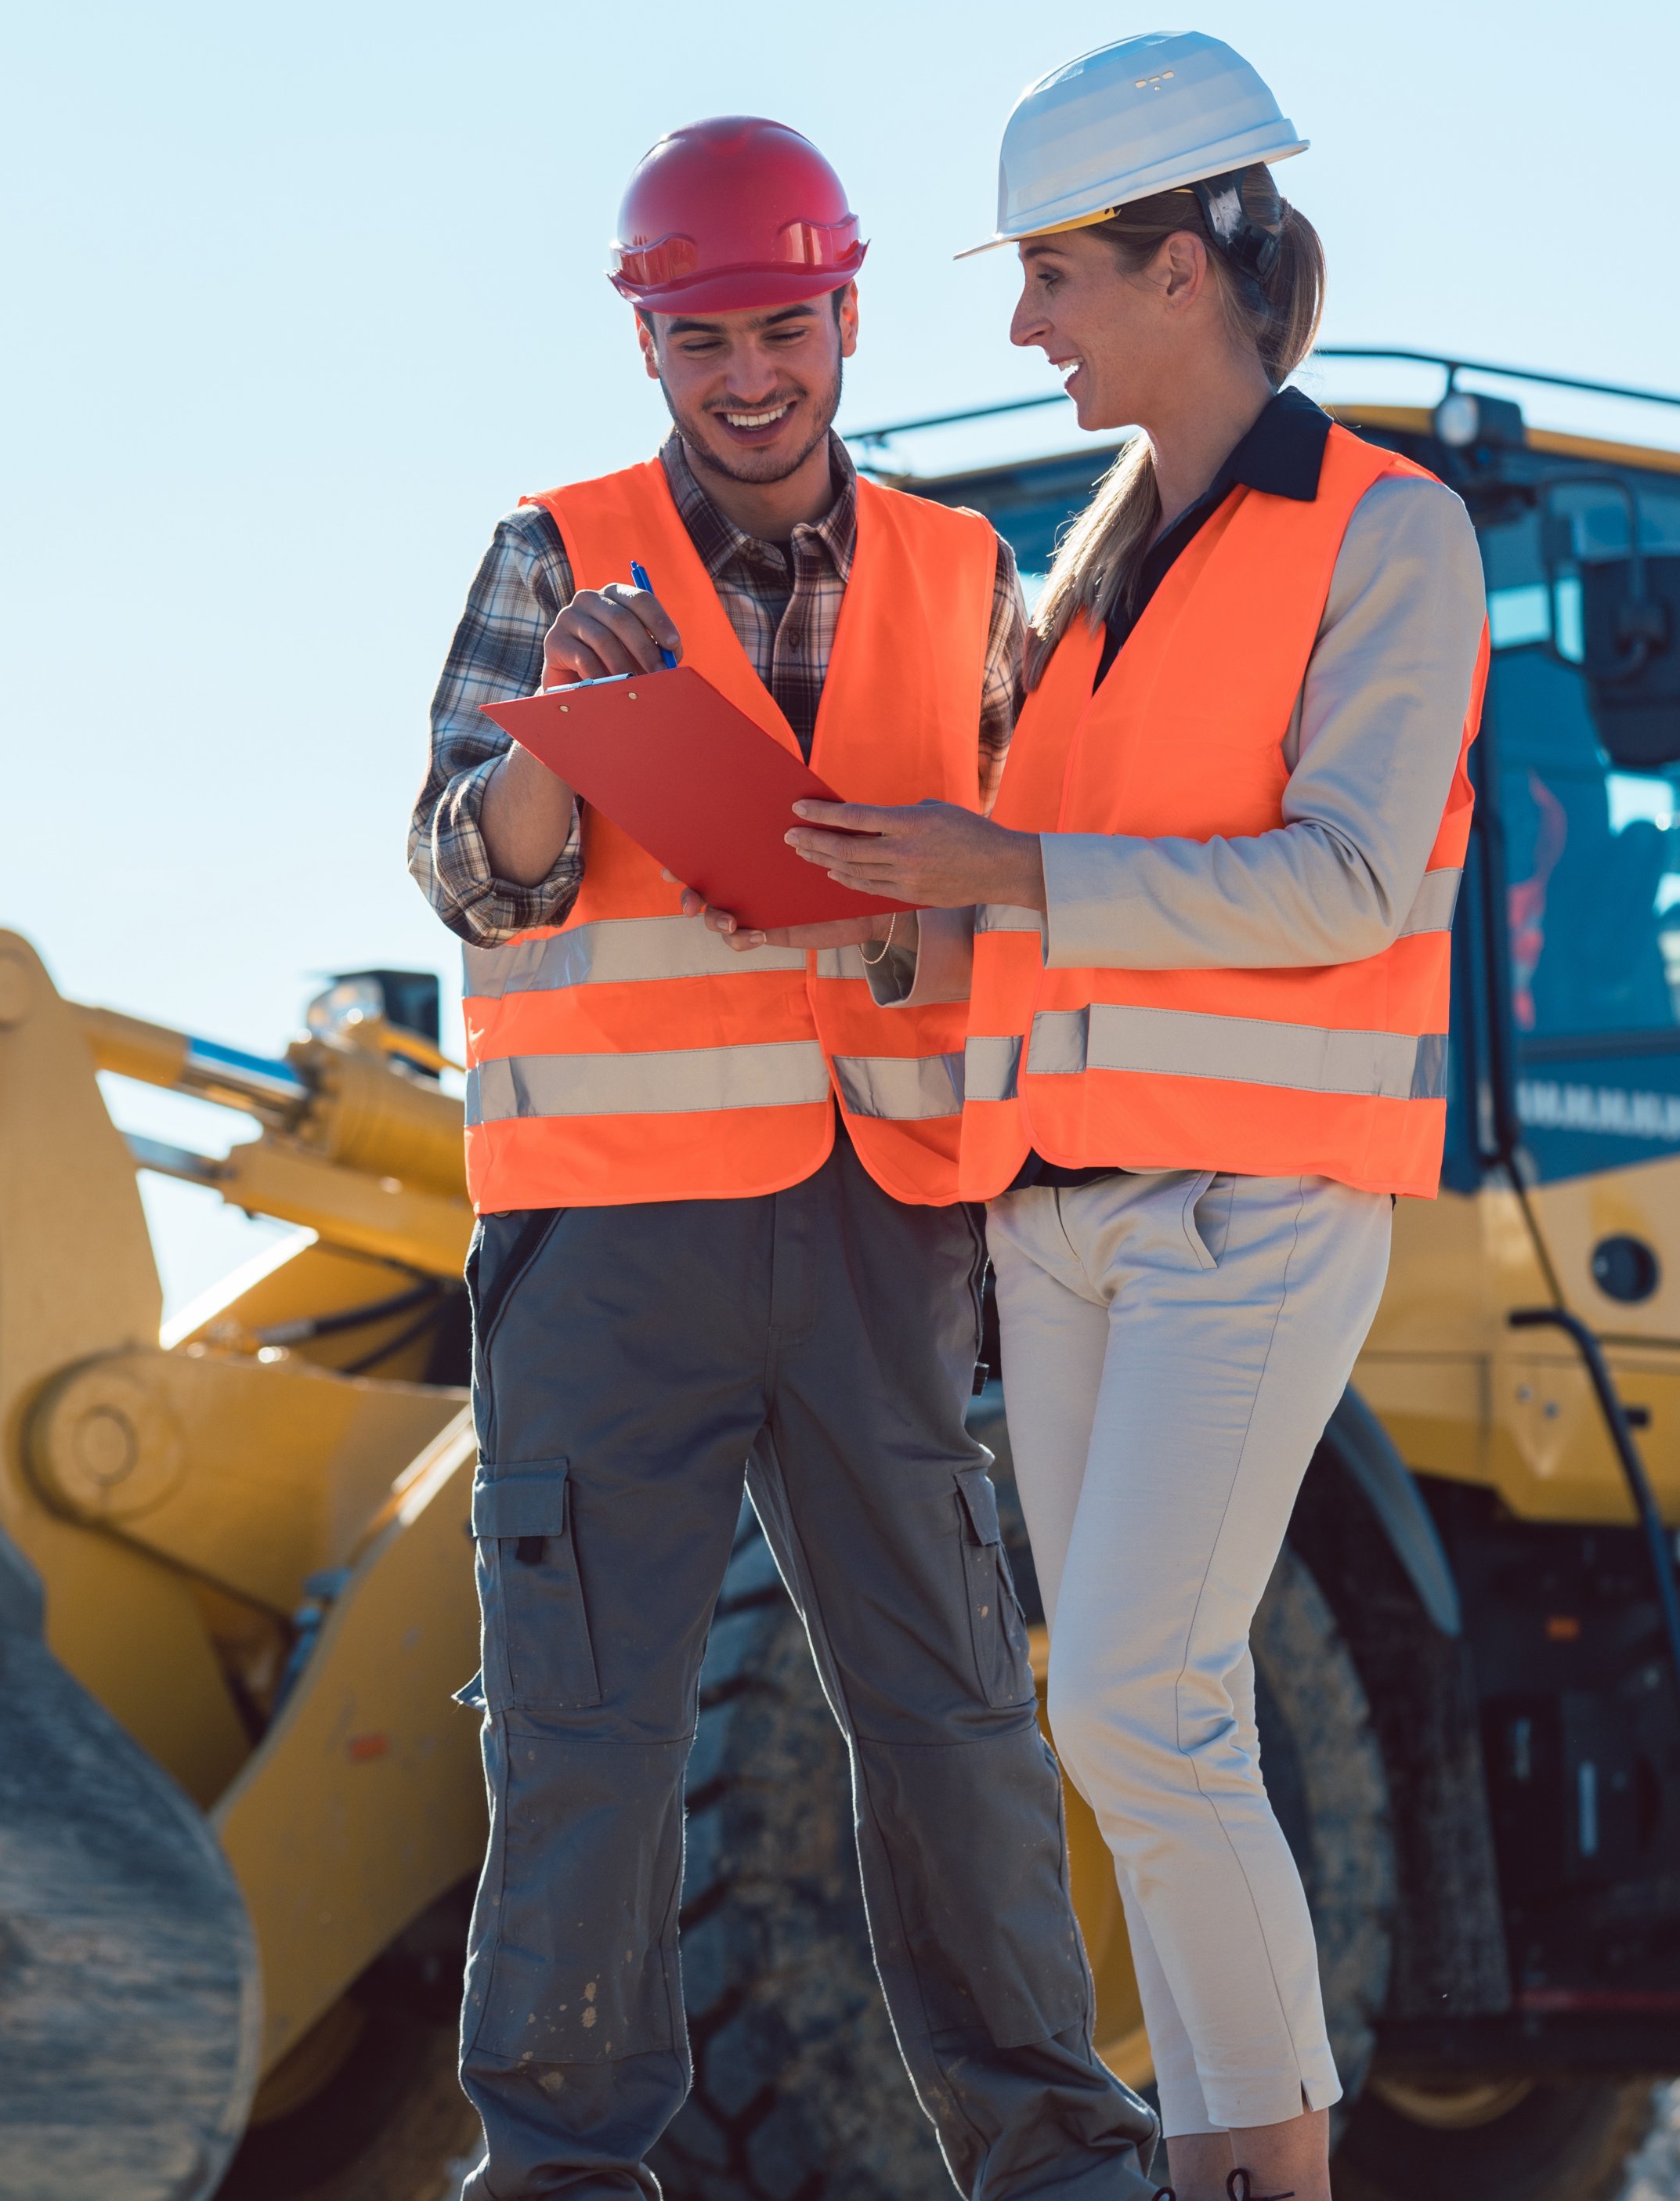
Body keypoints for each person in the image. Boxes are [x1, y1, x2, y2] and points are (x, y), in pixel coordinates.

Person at [699, 32, 1487, 2201]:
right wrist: (826, 907)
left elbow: (1341, 878)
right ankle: (1230, 2156)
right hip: (1057, 1224)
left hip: (1252, 1213)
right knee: (1115, 1708)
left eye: (1054, 277)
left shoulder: (1387, 538)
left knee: (1144, 1689)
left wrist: (1000, 868)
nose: (1025, 325)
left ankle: (1260, 2168)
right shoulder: (1081, 577)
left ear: (1183, 263)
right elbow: (1021, 928)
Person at [408, 115, 1158, 2201]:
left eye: (788, 329)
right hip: (610, 1240)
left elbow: (1018, 888)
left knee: (950, 1722)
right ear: (651, 346)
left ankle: (1056, 2158)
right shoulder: (556, 556)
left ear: (845, 322)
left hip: (880, 1232)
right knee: (587, 1733)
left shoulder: (960, 576)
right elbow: (469, 877)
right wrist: (569, 753)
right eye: (706, 337)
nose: (753, 374)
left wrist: (894, 903)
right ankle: (560, 2174)